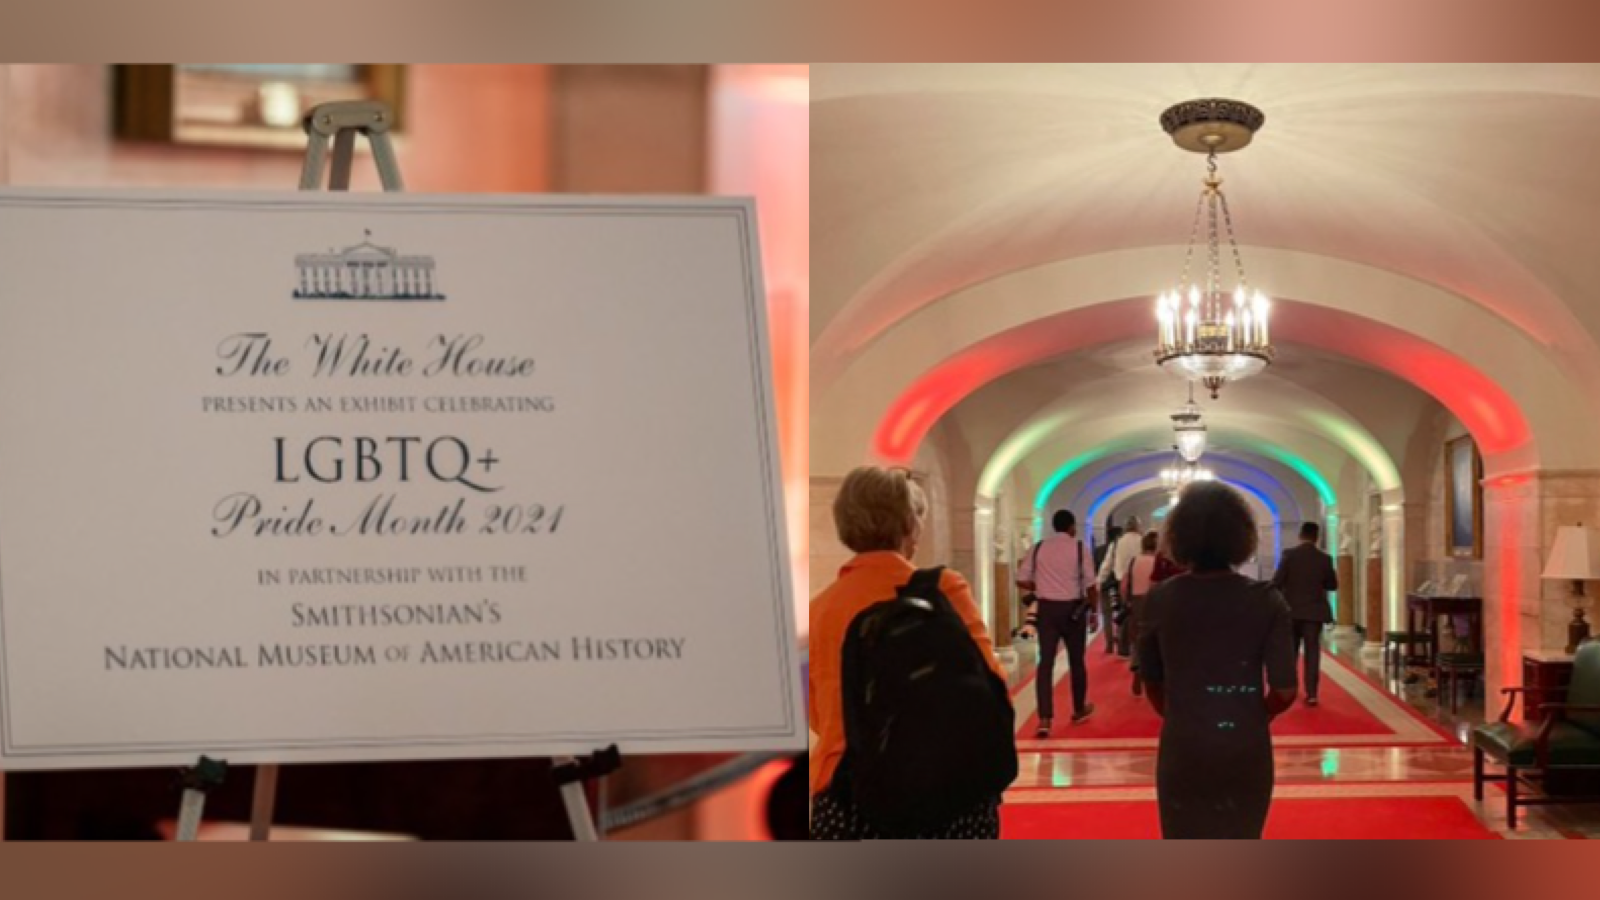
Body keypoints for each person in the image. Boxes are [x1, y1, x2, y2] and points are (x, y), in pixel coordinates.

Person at [809, 466, 1005, 839]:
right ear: (909, 525)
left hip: (846, 794)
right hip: (946, 788)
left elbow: (819, 714)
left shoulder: (819, 610)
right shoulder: (944, 590)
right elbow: (991, 682)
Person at [1139, 482, 1298, 840]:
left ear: (1179, 537)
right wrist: (1258, 713)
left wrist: (1184, 713)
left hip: (1184, 742)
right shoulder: (1267, 600)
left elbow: (1152, 682)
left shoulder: (1161, 599)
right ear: (1242, 536)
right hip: (1245, 744)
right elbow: (1285, 690)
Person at [1017, 509, 1098, 736]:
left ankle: (1044, 718)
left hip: (1047, 610)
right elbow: (1091, 585)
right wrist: (1093, 612)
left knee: (1046, 663)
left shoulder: (1039, 548)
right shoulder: (1080, 548)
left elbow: (1021, 579)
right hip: (1073, 611)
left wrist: (1041, 586)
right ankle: (1079, 708)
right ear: (1072, 527)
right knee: (1076, 662)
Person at [1271, 522, 1340, 707]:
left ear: (1300, 535)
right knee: (1312, 652)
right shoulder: (1324, 559)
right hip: (1314, 613)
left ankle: (1289, 690)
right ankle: (1312, 694)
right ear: (1316, 537)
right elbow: (1333, 585)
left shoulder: (1289, 555)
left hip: (1291, 612)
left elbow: (1276, 582)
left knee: (1290, 653)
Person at [1098, 516, 1144, 655]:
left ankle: (1124, 648)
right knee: (1140, 616)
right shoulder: (1143, 541)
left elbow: (1107, 564)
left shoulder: (1117, 543)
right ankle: (1138, 647)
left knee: (1124, 614)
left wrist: (1100, 581)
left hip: (1121, 583)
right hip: (1140, 582)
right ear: (1138, 526)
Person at [1123, 531, 1160, 697]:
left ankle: (1137, 670)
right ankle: (1154, 679)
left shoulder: (1133, 561)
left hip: (1137, 604)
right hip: (1155, 602)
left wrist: (1127, 602)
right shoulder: (1159, 563)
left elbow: (1124, 586)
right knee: (1156, 641)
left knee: (1138, 640)